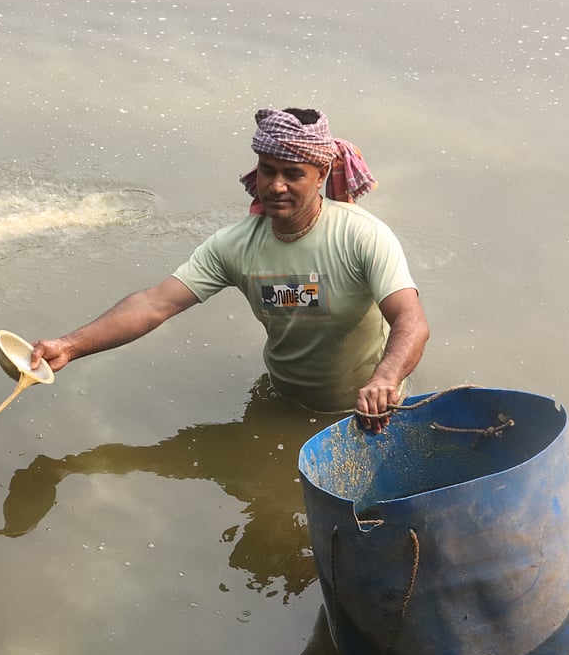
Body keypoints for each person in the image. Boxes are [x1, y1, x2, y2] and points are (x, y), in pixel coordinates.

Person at [29, 107, 429, 432]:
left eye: (293, 174)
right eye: (268, 170)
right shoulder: (234, 245)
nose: (276, 186)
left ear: (321, 175)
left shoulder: (362, 236)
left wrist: (385, 379)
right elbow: (153, 304)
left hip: (367, 412)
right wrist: (70, 345)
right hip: (280, 403)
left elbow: (410, 320)